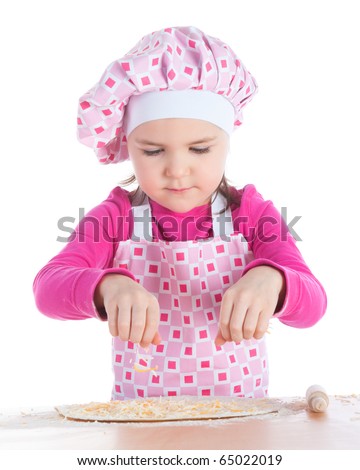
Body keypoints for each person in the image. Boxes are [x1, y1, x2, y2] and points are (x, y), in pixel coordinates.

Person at [33, 26, 327, 399]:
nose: (176, 169)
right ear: (128, 146)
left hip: (241, 419)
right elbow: (47, 288)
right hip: (141, 423)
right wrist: (107, 286)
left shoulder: (252, 215)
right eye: (153, 151)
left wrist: (276, 279)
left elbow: (314, 304)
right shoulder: (115, 218)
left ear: (226, 142)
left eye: (200, 149)